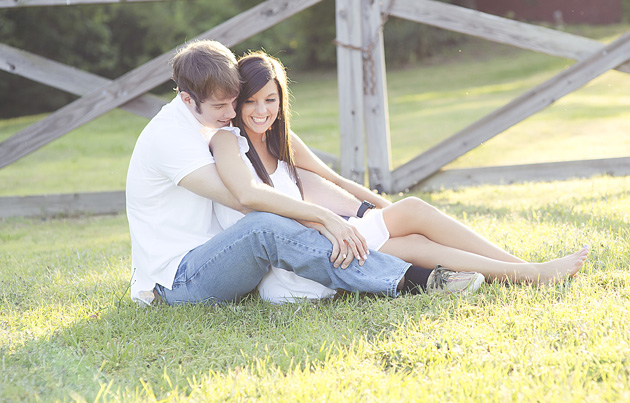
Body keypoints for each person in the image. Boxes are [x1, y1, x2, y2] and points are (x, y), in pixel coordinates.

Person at [209, 50, 590, 304]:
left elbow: (336, 181)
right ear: (238, 102)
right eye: (251, 101)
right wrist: (348, 222)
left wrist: (382, 213)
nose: (261, 110)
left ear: (281, 100)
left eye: (270, 100)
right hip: (295, 264)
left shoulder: (281, 139)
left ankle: (524, 270)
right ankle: (530, 273)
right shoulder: (228, 142)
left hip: (329, 240)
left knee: (414, 234)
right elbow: (251, 200)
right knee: (413, 220)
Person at [126, 40, 483, 307]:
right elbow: (246, 199)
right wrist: (329, 220)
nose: (230, 112)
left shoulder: (213, 125)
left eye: (234, 101)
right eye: (222, 106)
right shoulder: (170, 137)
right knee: (263, 226)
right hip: (179, 280)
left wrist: (360, 211)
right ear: (188, 100)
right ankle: (410, 279)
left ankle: (508, 270)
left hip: (220, 257)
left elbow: (296, 179)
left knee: (398, 228)